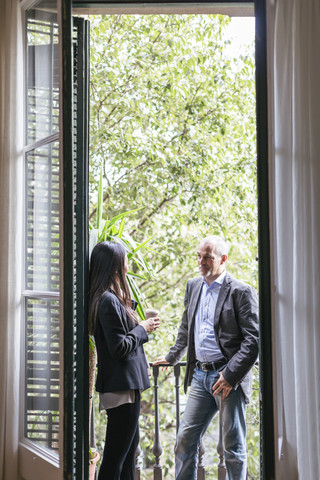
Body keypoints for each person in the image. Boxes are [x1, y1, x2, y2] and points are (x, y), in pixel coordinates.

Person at [154, 235, 259, 480]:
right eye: (199, 256)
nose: (201, 261)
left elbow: (253, 340)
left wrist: (230, 376)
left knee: (233, 447)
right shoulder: (193, 286)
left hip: (227, 379)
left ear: (223, 259)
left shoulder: (241, 292)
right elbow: (185, 328)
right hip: (200, 376)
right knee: (184, 441)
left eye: (207, 257)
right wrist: (171, 357)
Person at [88, 241, 160, 480]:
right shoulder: (107, 300)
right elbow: (119, 348)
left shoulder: (109, 297)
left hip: (125, 386)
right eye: (124, 261)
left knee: (128, 455)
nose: (127, 266)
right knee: (115, 459)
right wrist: (142, 328)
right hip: (122, 387)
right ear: (113, 266)